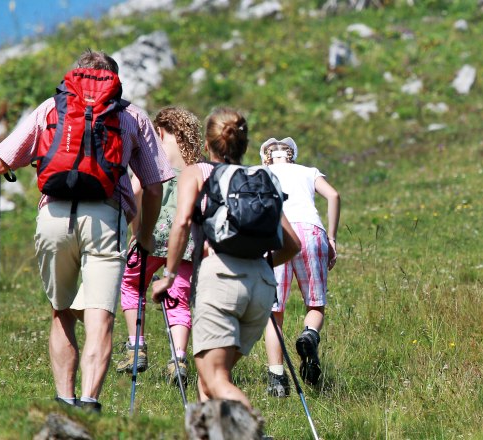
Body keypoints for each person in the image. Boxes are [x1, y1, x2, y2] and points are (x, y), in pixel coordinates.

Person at [0, 50, 173, 413]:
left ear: (75, 76)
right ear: (114, 80)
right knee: (101, 314)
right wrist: (145, 235)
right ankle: (89, 403)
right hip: (106, 218)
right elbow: (153, 184)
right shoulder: (130, 115)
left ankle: (63, 400)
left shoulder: (51, 108)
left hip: (54, 216)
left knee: (62, 311)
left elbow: (0, 161)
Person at [151, 108, 300, 409]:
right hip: (261, 285)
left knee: (216, 378)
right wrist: (261, 265)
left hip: (220, 280)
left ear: (206, 144)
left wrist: (167, 277)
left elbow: (180, 223)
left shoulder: (197, 172)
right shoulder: (262, 177)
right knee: (210, 380)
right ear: (245, 146)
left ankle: (253, 430)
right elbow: (293, 244)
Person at [104, 106, 203, 386]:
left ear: (160, 131)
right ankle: (178, 358)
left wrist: (137, 229)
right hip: (186, 241)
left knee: (132, 285)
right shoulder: (198, 162)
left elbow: (137, 189)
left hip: (154, 234)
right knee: (179, 299)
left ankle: (136, 348)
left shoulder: (155, 156)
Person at [259, 137, 340, 396]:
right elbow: (333, 195)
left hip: (276, 234)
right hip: (311, 231)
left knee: (274, 312)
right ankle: (310, 335)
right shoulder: (308, 171)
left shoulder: (260, 173)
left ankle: (277, 378)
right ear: (292, 155)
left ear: (266, 157)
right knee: (315, 304)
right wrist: (332, 238)